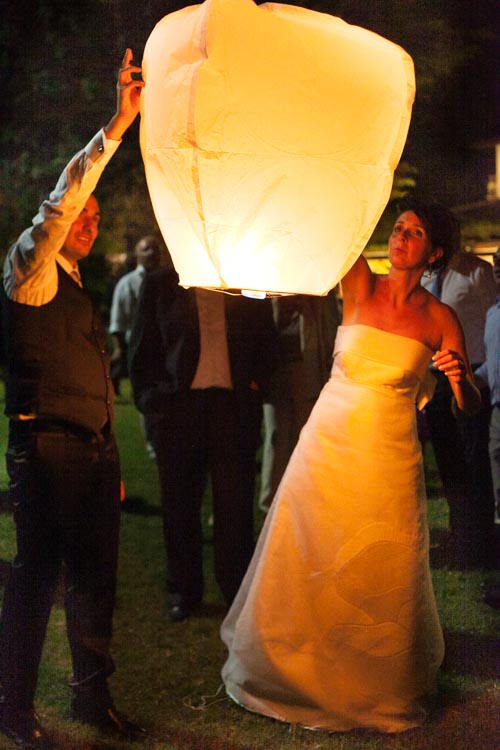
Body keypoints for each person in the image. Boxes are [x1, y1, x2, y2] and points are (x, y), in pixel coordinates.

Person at [221, 199, 481, 733]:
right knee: (311, 545)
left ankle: (371, 679)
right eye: (399, 227)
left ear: (434, 252)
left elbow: (468, 407)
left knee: (378, 559)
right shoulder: (359, 283)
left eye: (415, 232)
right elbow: (330, 223)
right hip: (329, 442)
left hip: (390, 453)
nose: (401, 237)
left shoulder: (440, 319)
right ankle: (291, 665)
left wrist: (459, 379)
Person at [0, 50, 145, 749]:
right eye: (78, 216)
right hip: (46, 448)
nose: (86, 222)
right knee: (36, 582)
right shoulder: (30, 268)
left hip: (91, 451)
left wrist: (108, 452)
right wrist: (117, 126)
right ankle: (11, 708)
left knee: (95, 582)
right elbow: (59, 205)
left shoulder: (81, 287)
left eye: (95, 217)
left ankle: (92, 699)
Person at [128, 268, 277, 622]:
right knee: (179, 507)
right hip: (179, 407)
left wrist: (256, 383)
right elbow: (143, 346)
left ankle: (236, 590)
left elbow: (266, 337)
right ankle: (183, 590)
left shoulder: (242, 277)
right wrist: (154, 402)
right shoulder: (163, 281)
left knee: (235, 508)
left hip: (231, 406)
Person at [421, 233, 497, 566]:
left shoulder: (476, 272)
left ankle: (479, 538)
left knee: (473, 459)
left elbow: (492, 320)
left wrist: (482, 375)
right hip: (437, 378)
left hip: (471, 374)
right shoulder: (425, 276)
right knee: (448, 457)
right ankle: (460, 534)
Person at [258, 291, 340, 513]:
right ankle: (271, 503)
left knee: (305, 436)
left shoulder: (317, 293)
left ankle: (304, 501)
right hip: (276, 368)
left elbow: (331, 327)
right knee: (277, 437)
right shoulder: (270, 288)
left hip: (307, 365)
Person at [474, 247, 500, 603]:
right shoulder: (493, 313)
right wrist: (469, 378)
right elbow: (491, 366)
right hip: (496, 414)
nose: (499, 267)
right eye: (496, 261)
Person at [109, 234, 162, 394]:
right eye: (146, 249)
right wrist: (119, 347)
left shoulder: (169, 282)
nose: (152, 253)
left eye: (155, 249)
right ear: (137, 253)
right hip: (137, 344)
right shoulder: (128, 283)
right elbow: (118, 319)